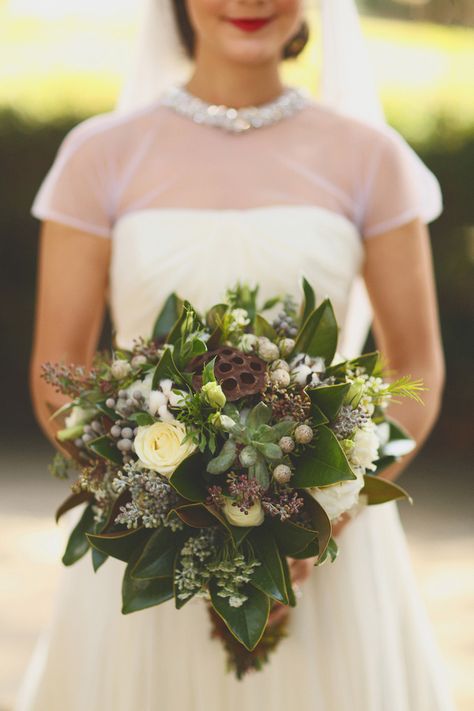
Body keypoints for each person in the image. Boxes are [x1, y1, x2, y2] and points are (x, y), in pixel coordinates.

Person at [16, 1, 456, 709]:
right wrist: (160, 507)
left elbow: (417, 365)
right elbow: (57, 368)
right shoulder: (100, 155)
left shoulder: (372, 158)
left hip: (333, 557)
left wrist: (318, 520)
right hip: (149, 549)